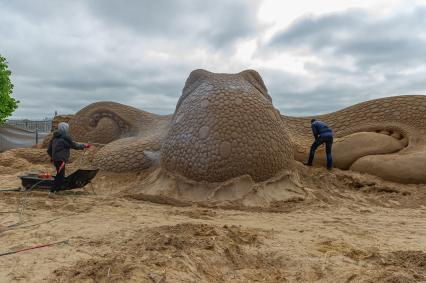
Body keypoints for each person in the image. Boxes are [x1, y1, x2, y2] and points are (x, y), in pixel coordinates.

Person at [47, 122, 90, 193]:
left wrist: (52, 157)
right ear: (65, 129)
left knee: (60, 174)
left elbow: (49, 150)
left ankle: (59, 189)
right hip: (61, 160)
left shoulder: (54, 138)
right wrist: (84, 146)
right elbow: (75, 145)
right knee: (60, 176)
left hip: (56, 160)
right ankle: (52, 192)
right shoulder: (65, 138)